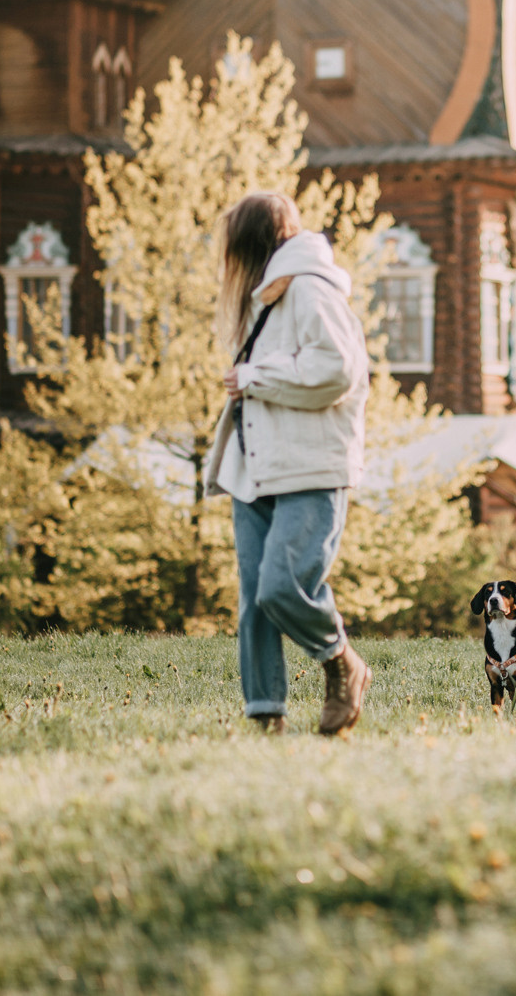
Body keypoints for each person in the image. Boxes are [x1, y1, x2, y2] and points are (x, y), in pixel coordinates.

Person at [204, 192, 372, 735]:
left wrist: (256, 377)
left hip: (309, 466)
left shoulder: (310, 289)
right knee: (254, 601)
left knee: (281, 585)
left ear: (253, 244)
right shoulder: (267, 297)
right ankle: (265, 717)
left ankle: (341, 661)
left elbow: (336, 369)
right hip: (256, 468)